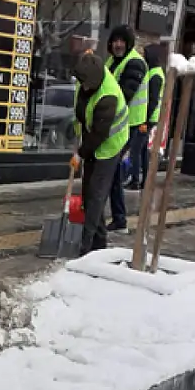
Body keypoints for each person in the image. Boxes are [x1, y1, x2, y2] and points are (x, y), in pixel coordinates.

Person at [71, 50, 130, 254]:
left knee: (96, 195)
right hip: (93, 140)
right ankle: (100, 243)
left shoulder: (108, 95)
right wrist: (78, 137)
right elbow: (80, 113)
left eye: (87, 84)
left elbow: (98, 134)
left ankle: (86, 248)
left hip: (111, 144)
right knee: (88, 194)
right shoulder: (86, 79)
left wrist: (80, 153)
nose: (84, 86)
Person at [105, 25, 148, 229]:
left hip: (128, 124)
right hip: (116, 124)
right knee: (111, 171)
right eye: (115, 40)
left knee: (112, 170)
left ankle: (120, 218)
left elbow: (123, 94)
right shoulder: (112, 62)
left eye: (122, 41)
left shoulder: (135, 64)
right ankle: (117, 217)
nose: (118, 44)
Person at [130, 45, 165, 190]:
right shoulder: (154, 72)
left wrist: (144, 120)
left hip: (147, 118)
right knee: (143, 149)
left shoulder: (155, 75)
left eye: (145, 54)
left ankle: (135, 180)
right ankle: (144, 180)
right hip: (149, 118)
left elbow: (153, 99)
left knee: (136, 149)